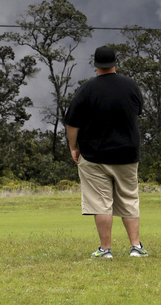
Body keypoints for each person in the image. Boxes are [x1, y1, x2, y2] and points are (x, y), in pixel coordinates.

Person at [64, 45, 148, 259]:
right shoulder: (131, 85)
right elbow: (138, 111)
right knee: (129, 199)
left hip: (94, 155)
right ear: (114, 63)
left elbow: (72, 123)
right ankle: (136, 247)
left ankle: (106, 250)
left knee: (100, 203)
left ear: (95, 65)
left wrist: (73, 147)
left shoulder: (87, 89)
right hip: (127, 154)